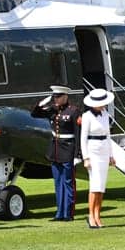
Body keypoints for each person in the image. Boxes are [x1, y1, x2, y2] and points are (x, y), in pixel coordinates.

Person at [31, 85, 82, 221]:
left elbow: (78, 134)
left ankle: (68, 213)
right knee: (58, 183)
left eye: (58, 97)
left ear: (65, 96)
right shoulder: (52, 110)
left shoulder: (74, 111)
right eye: (54, 97)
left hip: (68, 150)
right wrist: (41, 103)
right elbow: (34, 114)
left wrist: (78, 154)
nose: (56, 99)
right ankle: (59, 213)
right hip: (55, 150)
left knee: (68, 182)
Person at [80, 88, 115, 228]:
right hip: (92, 150)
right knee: (95, 185)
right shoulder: (87, 116)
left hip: (104, 149)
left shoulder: (105, 114)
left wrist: (111, 155)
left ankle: (98, 214)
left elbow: (108, 135)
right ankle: (91, 215)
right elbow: (83, 138)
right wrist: (86, 157)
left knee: (101, 186)